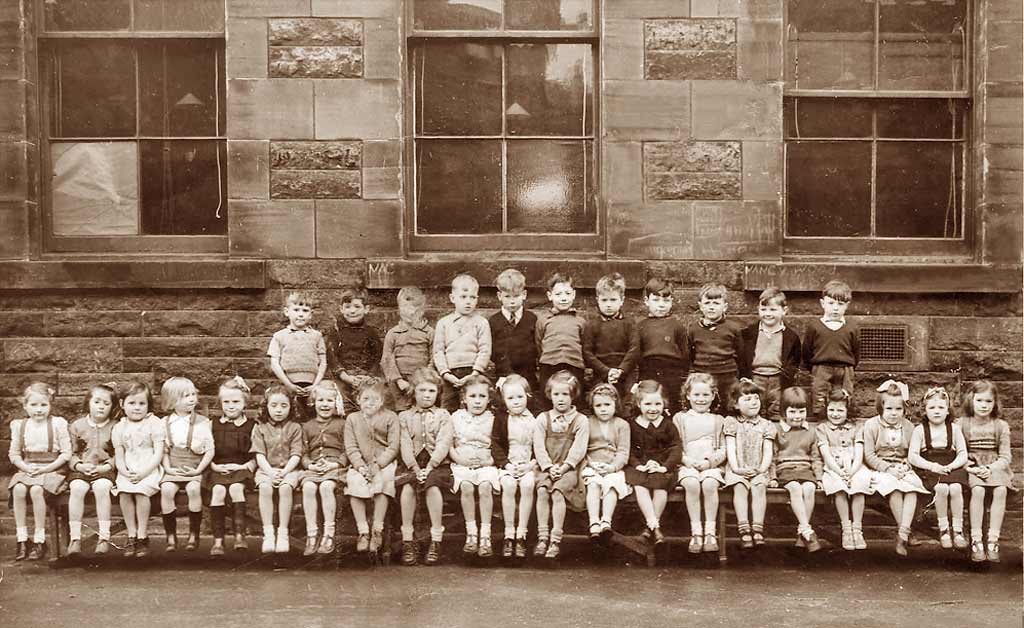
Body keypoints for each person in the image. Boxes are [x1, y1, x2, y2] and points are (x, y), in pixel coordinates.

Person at [861, 380, 929, 556]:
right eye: (889, 409)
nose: (893, 413)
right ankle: (906, 533)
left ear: (904, 409)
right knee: (896, 490)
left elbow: (913, 453)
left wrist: (906, 464)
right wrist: (887, 468)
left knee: (912, 489)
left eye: (898, 409)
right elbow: (869, 456)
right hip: (881, 469)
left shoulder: (908, 427)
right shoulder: (871, 426)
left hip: (903, 467)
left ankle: (902, 534)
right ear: (881, 408)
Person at [8, 382, 71, 561]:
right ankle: (22, 539)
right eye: (33, 405)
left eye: (44, 405)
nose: (39, 410)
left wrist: (46, 468)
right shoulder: (19, 425)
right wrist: (25, 467)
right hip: (29, 468)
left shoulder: (58, 424)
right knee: (18, 489)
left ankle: (40, 539)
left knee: (36, 491)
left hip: (53, 469)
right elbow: (14, 454)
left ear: (50, 405)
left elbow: (66, 454)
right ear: (25, 405)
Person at [396, 368, 453, 566]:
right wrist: (414, 467)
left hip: (436, 463)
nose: (427, 395)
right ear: (413, 392)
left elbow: (444, 442)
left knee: (432, 486)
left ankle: (436, 540)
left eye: (431, 391)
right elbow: (403, 442)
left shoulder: (443, 415)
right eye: (422, 391)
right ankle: (408, 540)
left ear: (437, 393)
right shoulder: (404, 416)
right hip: (411, 463)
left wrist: (429, 467)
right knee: (407, 488)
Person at [533, 371, 590, 560]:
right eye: (556, 394)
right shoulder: (543, 418)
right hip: (547, 467)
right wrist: (549, 467)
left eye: (565, 394)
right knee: (542, 490)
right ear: (550, 395)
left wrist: (564, 467)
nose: (561, 399)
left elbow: (579, 449)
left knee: (558, 492)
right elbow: (539, 447)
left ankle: (555, 539)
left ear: (573, 395)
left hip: (569, 469)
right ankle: (542, 537)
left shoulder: (580, 420)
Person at [908, 386, 969, 552]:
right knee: (941, 488)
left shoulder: (954, 429)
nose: (937, 411)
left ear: (948, 411)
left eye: (941, 407)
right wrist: (932, 466)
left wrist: (952, 466)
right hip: (930, 468)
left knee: (955, 488)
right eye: (932, 407)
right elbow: (912, 456)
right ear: (925, 410)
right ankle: (944, 529)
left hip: (951, 466)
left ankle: (957, 530)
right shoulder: (919, 430)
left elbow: (963, 454)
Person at [448, 373, 502, 558]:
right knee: (466, 487)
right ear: (464, 398)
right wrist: (459, 460)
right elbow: (450, 444)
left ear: (489, 399)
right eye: (473, 396)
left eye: (482, 396)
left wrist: (490, 461)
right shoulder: (456, 417)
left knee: (486, 486)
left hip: (486, 462)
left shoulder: (493, 418)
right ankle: (471, 533)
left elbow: (499, 446)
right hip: (462, 463)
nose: (477, 401)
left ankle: (485, 535)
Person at [959, 380, 1014, 563]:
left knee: (1000, 490)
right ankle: (976, 541)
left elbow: (1005, 456)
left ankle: (993, 540)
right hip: (971, 465)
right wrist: (971, 467)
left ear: (995, 403)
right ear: (971, 400)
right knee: (978, 490)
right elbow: (958, 452)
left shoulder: (1001, 426)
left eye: (988, 401)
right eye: (980, 400)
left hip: (995, 465)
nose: (984, 406)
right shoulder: (962, 424)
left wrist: (990, 468)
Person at [344, 378, 400, 554]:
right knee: (354, 483)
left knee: (384, 483)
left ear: (382, 401)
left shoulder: (391, 417)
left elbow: (393, 446)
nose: (370, 403)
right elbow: (351, 447)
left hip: (384, 463)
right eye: (366, 399)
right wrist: (360, 466)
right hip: (360, 464)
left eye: (375, 399)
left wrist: (379, 464)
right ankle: (363, 532)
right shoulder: (352, 419)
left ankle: (377, 529)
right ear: (358, 399)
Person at [158, 376, 214, 553]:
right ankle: (171, 536)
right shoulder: (164, 423)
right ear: (172, 401)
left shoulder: (203, 422)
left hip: (195, 467)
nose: (191, 399)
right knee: (167, 490)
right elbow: (163, 451)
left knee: (193, 490)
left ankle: (193, 534)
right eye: (185, 396)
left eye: (192, 394)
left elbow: (209, 450)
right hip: (173, 467)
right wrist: (167, 468)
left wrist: (198, 469)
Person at [624, 379, 681, 551]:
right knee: (639, 485)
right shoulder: (632, 425)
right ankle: (655, 528)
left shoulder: (668, 425)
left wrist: (664, 466)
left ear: (664, 404)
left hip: (662, 467)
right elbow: (629, 450)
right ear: (638, 403)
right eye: (647, 403)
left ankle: (649, 529)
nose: (653, 408)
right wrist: (638, 465)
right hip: (639, 467)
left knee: (660, 486)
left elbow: (676, 448)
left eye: (658, 403)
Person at [673, 373, 725, 553]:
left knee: (710, 484)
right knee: (692, 484)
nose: (701, 399)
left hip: (710, 465)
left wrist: (709, 463)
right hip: (688, 464)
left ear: (713, 395)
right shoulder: (680, 418)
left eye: (705, 395)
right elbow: (675, 446)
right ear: (687, 395)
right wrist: (686, 460)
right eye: (696, 395)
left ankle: (710, 532)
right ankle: (696, 532)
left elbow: (723, 449)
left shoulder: (718, 420)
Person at [112, 381, 165, 558]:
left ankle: (142, 534)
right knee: (125, 491)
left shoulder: (154, 423)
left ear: (148, 405)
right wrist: (124, 471)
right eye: (132, 403)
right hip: (128, 468)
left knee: (142, 491)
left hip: (149, 468)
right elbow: (119, 454)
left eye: (142, 403)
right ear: (122, 404)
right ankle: (131, 534)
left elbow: (158, 452)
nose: (137, 408)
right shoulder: (119, 427)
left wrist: (145, 472)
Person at [66, 382, 118, 557]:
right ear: (88, 402)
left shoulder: (115, 426)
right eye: (97, 402)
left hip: (105, 471)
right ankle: (75, 538)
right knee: (77, 488)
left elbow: (120, 453)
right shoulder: (77, 426)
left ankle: (104, 537)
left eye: (106, 403)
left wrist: (106, 466)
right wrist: (79, 465)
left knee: (102, 487)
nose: (101, 406)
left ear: (112, 406)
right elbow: (70, 453)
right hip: (80, 470)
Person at [723, 378, 776, 551]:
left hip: (758, 467)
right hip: (737, 467)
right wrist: (737, 468)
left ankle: (758, 528)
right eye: (747, 399)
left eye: (756, 398)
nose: (753, 402)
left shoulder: (766, 425)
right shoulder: (731, 423)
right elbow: (730, 447)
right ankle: (743, 528)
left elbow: (768, 450)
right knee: (739, 486)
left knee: (759, 486)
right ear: (736, 405)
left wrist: (761, 469)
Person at [251, 384, 305, 554]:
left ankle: (282, 533)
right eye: (274, 405)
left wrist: (285, 471)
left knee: (285, 488)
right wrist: (270, 472)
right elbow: (259, 454)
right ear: (266, 407)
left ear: (291, 407)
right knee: (265, 488)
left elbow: (297, 454)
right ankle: (268, 533)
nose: (279, 410)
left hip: (289, 470)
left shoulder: (295, 428)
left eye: (284, 405)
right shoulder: (260, 428)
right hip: (266, 469)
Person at [206, 376, 256, 556]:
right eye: (226, 401)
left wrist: (244, 467)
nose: (231, 405)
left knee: (236, 489)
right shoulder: (213, 424)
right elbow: (206, 451)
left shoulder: (251, 426)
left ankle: (239, 536)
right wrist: (213, 467)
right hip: (218, 469)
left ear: (245, 403)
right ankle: (218, 541)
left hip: (241, 470)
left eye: (236, 401)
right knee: (218, 491)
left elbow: (256, 454)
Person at [816, 387, 871, 551]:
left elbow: (859, 452)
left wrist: (852, 471)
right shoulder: (822, 429)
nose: (835, 414)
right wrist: (840, 472)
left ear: (848, 411)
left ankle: (857, 529)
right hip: (833, 466)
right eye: (831, 410)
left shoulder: (856, 428)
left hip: (855, 465)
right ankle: (846, 529)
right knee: (838, 487)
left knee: (859, 485)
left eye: (840, 410)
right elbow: (826, 454)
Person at [772, 386, 824, 553]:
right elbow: (772, 457)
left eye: (801, 412)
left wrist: (820, 477)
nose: (797, 416)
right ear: (783, 412)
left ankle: (803, 532)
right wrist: (772, 476)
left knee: (809, 488)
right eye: (792, 412)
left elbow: (816, 457)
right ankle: (806, 530)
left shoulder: (811, 431)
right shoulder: (777, 431)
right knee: (795, 487)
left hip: (805, 469)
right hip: (785, 469)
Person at [738, 287, 801, 421]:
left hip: (777, 379)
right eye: (763, 309)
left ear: (784, 310)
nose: (768, 314)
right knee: (755, 408)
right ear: (758, 309)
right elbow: (742, 356)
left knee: (776, 409)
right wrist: (744, 376)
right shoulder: (748, 333)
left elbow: (794, 360)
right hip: (755, 377)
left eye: (773, 310)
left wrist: (787, 376)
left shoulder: (791, 336)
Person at [300, 380, 347, 556]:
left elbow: (347, 450)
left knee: (327, 486)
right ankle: (312, 534)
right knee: (308, 487)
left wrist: (335, 464)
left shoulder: (342, 424)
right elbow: (303, 453)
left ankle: (329, 533)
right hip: (313, 468)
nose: (325, 405)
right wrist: (310, 465)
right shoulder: (307, 426)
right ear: (313, 402)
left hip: (335, 467)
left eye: (329, 401)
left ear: (336, 403)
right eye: (321, 400)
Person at [493, 374, 538, 559]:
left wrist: (531, 465)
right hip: (509, 465)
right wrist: (506, 465)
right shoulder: (502, 419)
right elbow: (495, 444)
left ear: (527, 395)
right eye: (510, 398)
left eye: (520, 397)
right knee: (509, 486)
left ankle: (521, 534)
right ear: (504, 400)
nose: (516, 402)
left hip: (529, 464)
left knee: (528, 485)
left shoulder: (535, 419)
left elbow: (540, 445)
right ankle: (509, 534)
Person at [583, 272, 640, 415]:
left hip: (625, 371)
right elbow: (587, 353)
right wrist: (606, 371)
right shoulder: (592, 325)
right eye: (604, 300)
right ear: (597, 300)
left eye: (613, 300)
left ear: (622, 300)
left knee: (628, 403)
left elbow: (634, 349)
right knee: (600, 401)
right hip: (601, 371)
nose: (608, 304)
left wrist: (621, 370)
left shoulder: (629, 323)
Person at [434, 273, 492, 412]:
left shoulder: (481, 323)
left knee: (476, 406)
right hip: (450, 374)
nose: (468, 301)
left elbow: (485, 349)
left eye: (472, 297)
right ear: (452, 298)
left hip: (473, 372)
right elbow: (438, 351)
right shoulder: (444, 323)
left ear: (477, 299)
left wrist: (476, 371)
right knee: (448, 407)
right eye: (463, 297)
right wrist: (445, 373)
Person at [268, 291, 328, 423]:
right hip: (287, 384)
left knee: (311, 418)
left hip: (311, 386)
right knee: (289, 418)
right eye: (296, 310)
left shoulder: (316, 336)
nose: (300, 314)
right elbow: (274, 363)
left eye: (305, 310)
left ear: (311, 314)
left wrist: (315, 385)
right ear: (286, 312)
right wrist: (288, 384)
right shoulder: (279, 336)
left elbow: (323, 363)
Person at [582, 383, 631, 546]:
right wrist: (592, 464)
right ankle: (594, 522)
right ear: (592, 406)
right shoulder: (587, 423)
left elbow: (623, 451)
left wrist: (612, 467)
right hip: (592, 465)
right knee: (594, 484)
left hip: (613, 466)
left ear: (615, 404)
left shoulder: (622, 425)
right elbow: (582, 449)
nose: (603, 409)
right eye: (598, 405)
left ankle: (606, 522)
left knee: (611, 484)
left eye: (607, 405)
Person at [803, 280, 859, 419]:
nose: (835, 308)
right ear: (823, 303)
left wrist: (849, 366)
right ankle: (821, 421)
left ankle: (843, 421)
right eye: (831, 303)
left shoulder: (851, 327)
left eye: (840, 304)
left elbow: (856, 350)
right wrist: (815, 368)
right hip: (822, 367)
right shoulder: (815, 326)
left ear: (847, 305)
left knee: (844, 394)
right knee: (819, 394)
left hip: (845, 368)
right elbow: (807, 350)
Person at [635, 277, 689, 415]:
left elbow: (685, 355)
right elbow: (636, 353)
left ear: (672, 302)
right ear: (647, 301)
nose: (661, 305)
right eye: (656, 300)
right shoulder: (640, 326)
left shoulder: (677, 326)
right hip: (648, 371)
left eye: (666, 300)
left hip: (672, 373)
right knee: (649, 406)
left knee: (671, 407)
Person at [688, 283, 744, 413]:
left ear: (725, 307)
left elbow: (741, 354)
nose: (711, 307)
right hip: (703, 376)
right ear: (700, 306)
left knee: (729, 408)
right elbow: (690, 354)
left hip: (727, 376)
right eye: (707, 303)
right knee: (706, 409)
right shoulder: (693, 329)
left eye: (716, 303)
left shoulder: (733, 328)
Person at [327, 285, 383, 412]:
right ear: (341, 309)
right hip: (344, 377)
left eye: (357, 307)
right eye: (347, 307)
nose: (352, 311)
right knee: (343, 405)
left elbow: (378, 355)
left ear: (366, 309)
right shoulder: (336, 332)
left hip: (365, 377)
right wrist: (345, 376)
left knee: (369, 404)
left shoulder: (370, 332)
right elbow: (332, 357)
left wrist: (369, 375)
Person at [535, 272, 587, 406]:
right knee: (548, 399)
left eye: (567, 294)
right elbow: (539, 343)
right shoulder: (544, 320)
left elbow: (585, 344)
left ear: (574, 294)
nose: (563, 298)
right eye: (558, 294)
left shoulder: (580, 321)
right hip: (549, 365)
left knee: (574, 398)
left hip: (574, 365)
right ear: (550, 295)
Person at [489, 268, 539, 403]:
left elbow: (537, 347)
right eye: (507, 296)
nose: (512, 301)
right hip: (503, 376)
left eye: (516, 296)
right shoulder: (494, 321)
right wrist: (507, 374)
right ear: (499, 296)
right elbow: (493, 351)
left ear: (524, 294)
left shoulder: (532, 319)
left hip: (527, 376)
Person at [381, 287, 434, 411]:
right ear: (399, 309)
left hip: (422, 381)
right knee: (401, 410)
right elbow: (387, 359)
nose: (411, 312)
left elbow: (434, 357)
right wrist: (399, 380)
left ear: (423, 310)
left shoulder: (429, 332)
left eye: (416, 308)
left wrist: (423, 380)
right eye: (406, 308)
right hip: (398, 381)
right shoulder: (393, 333)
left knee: (422, 409)